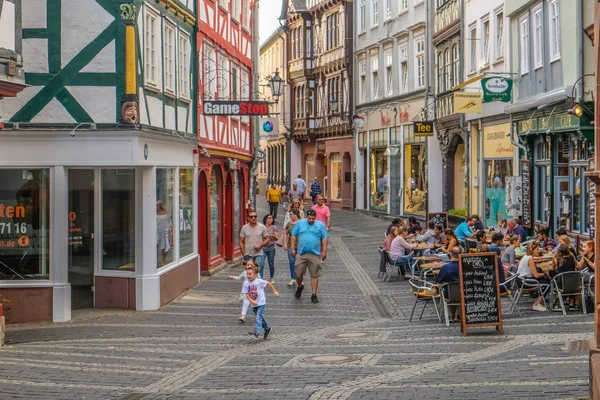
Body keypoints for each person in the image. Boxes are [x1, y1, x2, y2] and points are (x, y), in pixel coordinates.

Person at [290, 208, 329, 303]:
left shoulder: (320, 225)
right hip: (301, 253)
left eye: (313, 218)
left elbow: (324, 237)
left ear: (315, 217)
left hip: (314, 254)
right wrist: (292, 248)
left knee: (314, 274)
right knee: (298, 274)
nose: (311, 220)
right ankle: (300, 286)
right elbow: (293, 235)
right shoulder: (300, 223)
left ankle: (314, 294)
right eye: (309, 218)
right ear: (306, 217)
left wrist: (324, 251)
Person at [243, 264, 279, 340]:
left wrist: (275, 291)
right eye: (247, 274)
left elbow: (268, 283)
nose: (248, 276)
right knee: (260, 318)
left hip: (261, 302)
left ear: (256, 275)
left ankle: (256, 333)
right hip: (254, 304)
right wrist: (251, 301)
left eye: (250, 274)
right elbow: (246, 294)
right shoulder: (246, 284)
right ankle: (267, 328)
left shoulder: (259, 281)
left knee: (258, 317)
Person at [516, 242, 549, 312]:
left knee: (544, 280)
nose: (539, 250)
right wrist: (544, 274)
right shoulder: (530, 258)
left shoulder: (525, 256)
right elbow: (536, 275)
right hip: (524, 282)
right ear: (532, 250)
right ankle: (537, 304)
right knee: (548, 283)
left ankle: (540, 301)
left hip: (519, 280)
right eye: (537, 249)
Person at [551, 243, 578, 311]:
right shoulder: (572, 258)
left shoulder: (557, 259)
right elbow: (577, 265)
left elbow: (553, 267)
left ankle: (559, 302)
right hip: (572, 284)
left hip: (561, 284)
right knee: (570, 280)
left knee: (554, 280)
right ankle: (572, 304)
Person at [283, 209, 301, 287]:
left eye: (291, 214)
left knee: (300, 263)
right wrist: (284, 243)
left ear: (296, 215)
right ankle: (293, 278)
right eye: (290, 214)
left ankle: (300, 278)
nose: (290, 216)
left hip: (300, 246)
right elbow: (285, 234)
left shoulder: (301, 223)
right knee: (292, 262)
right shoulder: (289, 224)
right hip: (291, 245)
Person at [262, 214, 278, 283]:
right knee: (261, 263)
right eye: (269, 218)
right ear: (266, 219)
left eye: (271, 218)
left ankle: (272, 277)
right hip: (263, 248)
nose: (271, 220)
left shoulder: (274, 228)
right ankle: (260, 277)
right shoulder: (262, 227)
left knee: (271, 263)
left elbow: (277, 238)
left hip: (271, 248)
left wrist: (273, 236)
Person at [156, 201, 173, 267]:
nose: (156, 206)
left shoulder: (167, 215)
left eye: (157, 205)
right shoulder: (154, 214)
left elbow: (170, 224)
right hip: (156, 232)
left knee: (165, 246)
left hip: (165, 231)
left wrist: (171, 232)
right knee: (155, 245)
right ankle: (155, 260)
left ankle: (163, 260)